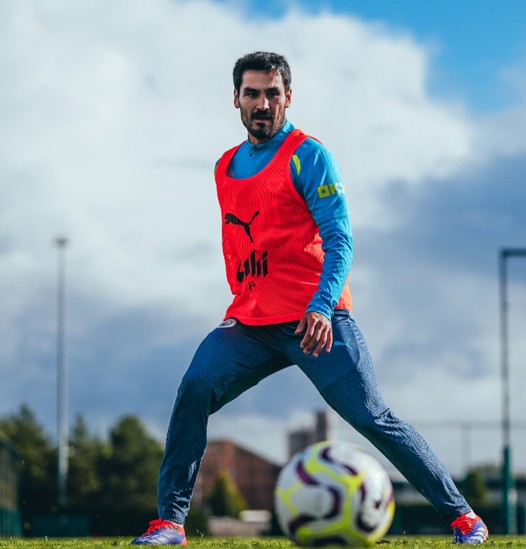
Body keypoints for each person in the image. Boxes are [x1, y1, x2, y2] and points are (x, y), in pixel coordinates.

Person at [132, 52, 488, 546]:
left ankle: (464, 518)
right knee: (194, 389)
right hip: (252, 323)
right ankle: (170, 523)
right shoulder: (224, 167)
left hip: (315, 320)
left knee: (372, 419)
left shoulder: (308, 155)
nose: (262, 103)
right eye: (252, 93)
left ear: (287, 97)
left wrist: (321, 306)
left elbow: (340, 238)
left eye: (272, 93)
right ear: (235, 98)